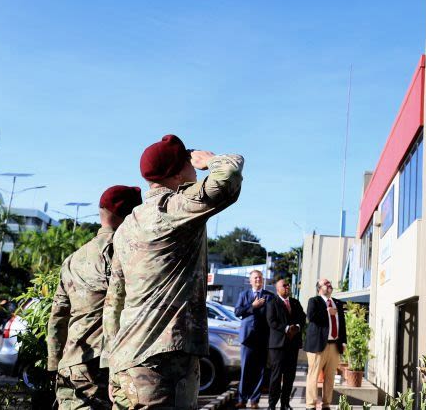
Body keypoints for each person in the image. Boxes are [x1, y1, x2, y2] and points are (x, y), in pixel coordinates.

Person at [104, 134, 244, 410]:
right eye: (189, 162)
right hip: (163, 362)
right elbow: (228, 172)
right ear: (177, 173)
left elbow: (114, 301)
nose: (195, 167)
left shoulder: (126, 227)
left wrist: (112, 362)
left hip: (126, 359)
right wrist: (209, 159)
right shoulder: (173, 209)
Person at [47, 184, 143, 410]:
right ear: (129, 216)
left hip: (71, 363)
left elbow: (58, 316)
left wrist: (55, 363)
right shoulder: (122, 251)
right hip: (102, 365)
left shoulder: (73, 259)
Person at [303, 278, 347, 410]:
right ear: (319, 288)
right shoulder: (314, 301)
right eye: (326, 284)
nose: (329, 285)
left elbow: (342, 324)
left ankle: (326, 404)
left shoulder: (337, 303)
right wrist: (327, 311)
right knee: (313, 376)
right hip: (318, 345)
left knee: (330, 377)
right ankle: (310, 405)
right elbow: (311, 317)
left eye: (330, 283)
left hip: (335, 345)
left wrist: (344, 341)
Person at [234, 269, 273, 409]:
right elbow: (237, 312)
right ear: (250, 281)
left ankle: (254, 400)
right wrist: (252, 306)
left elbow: (272, 317)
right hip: (247, 338)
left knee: (260, 371)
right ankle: (242, 399)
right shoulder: (243, 295)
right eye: (255, 278)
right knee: (246, 370)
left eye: (260, 278)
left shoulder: (269, 296)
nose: (258, 280)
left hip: (263, 338)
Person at [265, 278, 306, 410]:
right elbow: (272, 322)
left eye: (288, 286)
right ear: (278, 289)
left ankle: (285, 404)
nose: (287, 287)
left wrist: (297, 327)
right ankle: (272, 405)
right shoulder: (272, 302)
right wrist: (287, 328)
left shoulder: (295, 302)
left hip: (292, 346)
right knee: (276, 377)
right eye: (284, 286)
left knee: (289, 376)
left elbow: (302, 318)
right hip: (278, 346)